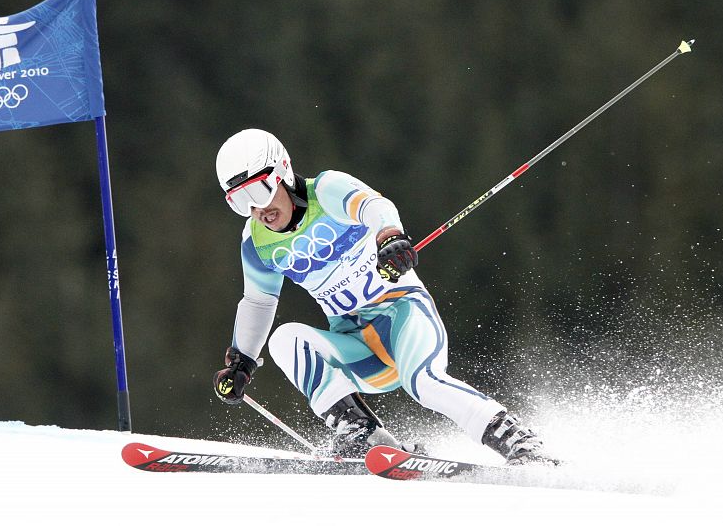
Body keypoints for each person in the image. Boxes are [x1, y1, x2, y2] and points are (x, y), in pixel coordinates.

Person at [212, 128, 557, 464]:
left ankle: (517, 441)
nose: (257, 209)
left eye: (258, 191)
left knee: (424, 383)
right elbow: (259, 301)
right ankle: (362, 435)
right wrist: (242, 362)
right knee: (284, 340)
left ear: (282, 171)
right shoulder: (257, 242)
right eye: (240, 201)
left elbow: (373, 206)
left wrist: (390, 236)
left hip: (403, 317)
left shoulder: (327, 190)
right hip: (358, 346)